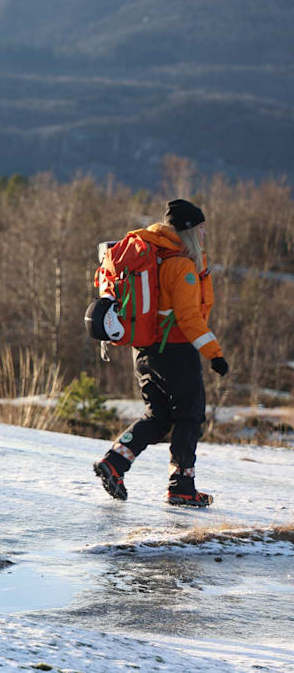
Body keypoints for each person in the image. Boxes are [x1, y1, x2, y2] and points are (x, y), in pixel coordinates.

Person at [93, 199, 228, 508]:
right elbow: (189, 318)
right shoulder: (180, 265)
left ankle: (114, 462)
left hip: (144, 349)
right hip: (176, 350)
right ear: (188, 231)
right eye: (201, 229)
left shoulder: (152, 256)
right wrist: (214, 354)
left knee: (158, 417)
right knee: (189, 417)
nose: (204, 234)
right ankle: (182, 487)